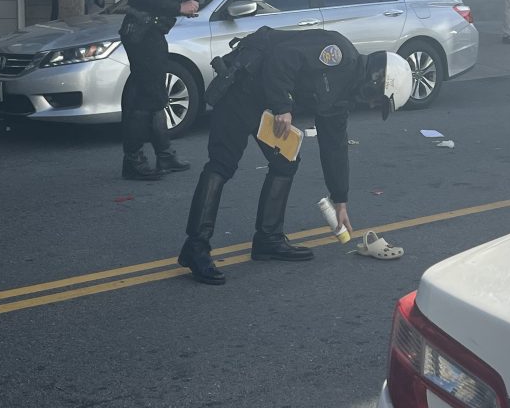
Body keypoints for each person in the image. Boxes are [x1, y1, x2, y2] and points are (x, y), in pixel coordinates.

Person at [177, 26, 413, 285]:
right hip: (242, 88)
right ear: (377, 80)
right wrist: (282, 106)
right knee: (222, 164)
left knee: (285, 161)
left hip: (266, 103)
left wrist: (340, 201)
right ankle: (196, 247)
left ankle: (268, 239)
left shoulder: (341, 100)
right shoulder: (338, 53)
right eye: (377, 101)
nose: (371, 106)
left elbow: (334, 147)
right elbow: (282, 57)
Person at [118, 0, 206, 180]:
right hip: (143, 30)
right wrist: (180, 7)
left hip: (151, 31)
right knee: (147, 98)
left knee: (156, 95)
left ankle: (164, 155)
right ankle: (133, 160)